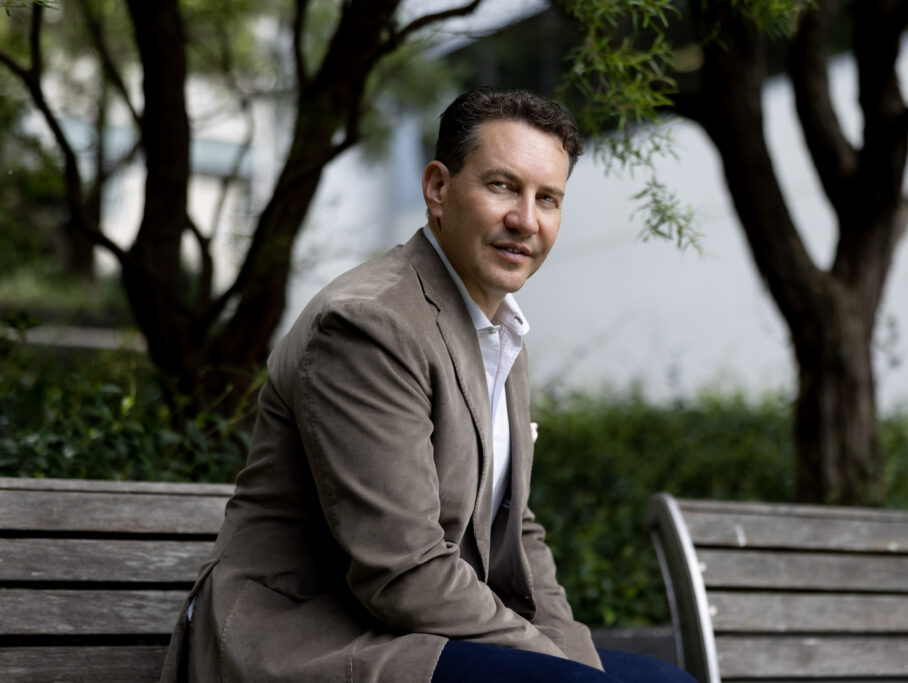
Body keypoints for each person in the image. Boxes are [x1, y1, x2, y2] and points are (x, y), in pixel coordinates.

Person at [161, 87, 695, 683]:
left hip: (415, 633)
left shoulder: (498, 328)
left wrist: (576, 655)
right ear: (438, 188)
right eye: (501, 186)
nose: (525, 219)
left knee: (667, 682)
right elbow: (401, 571)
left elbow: (516, 530)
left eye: (547, 198)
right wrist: (559, 666)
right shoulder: (370, 324)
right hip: (310, 639)